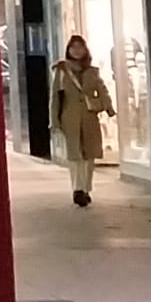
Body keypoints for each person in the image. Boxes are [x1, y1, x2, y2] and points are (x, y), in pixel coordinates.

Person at [49, 34, 114, 207]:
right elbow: (55, 97)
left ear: (85, 50)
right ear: (68, 50)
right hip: (69, 117)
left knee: (89, 154)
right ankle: (77, 189)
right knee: (75, 155)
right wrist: (54, 121)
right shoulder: (61, 71)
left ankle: (86, 188)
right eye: (73, 47)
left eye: (80, 47)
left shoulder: (92, 71)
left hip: (89, 116)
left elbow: (102, 90)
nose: (77, 51)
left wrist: (107, 106)